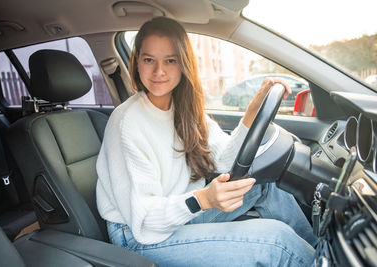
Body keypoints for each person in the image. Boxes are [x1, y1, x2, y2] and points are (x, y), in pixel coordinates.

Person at [96, 17, 317, 266]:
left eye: (170, 60)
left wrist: (251, 114)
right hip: (138, 234)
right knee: (277, 243)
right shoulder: (126, 122)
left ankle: (318, 253)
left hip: (181, 212)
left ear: (183, 64)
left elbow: (222, 159)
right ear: (137, 63)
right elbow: (145, 219)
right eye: (149, 60)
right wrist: (203, 199)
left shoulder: (183, 108)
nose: (159, 71)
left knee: (265, 183)